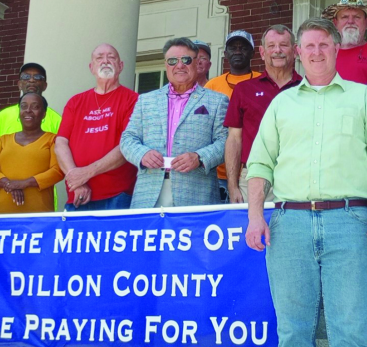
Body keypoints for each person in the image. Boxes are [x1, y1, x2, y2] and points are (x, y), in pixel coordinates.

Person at [245, 17, 367, 347]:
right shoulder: (282, 103)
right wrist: (254, 216)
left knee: (348, 329)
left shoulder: (362, 97)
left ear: (336, 50)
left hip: (349, 222)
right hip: (288, 222)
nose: (316, 52)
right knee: (293, 330)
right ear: (299, 53)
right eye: (309, 46)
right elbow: (260, 163)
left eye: (323, 45)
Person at [120, 37, 228, 208]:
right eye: (172, 61)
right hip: (149, 192)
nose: (179, 65)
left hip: (196, 191)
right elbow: (128, 138)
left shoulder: (217, 101)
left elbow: (225, 142)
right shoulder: (145, 100)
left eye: (186, 60)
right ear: (165, 64)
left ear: (196, 63)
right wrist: (142, 154)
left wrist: (200, 157)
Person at [55, 44, 139, 211]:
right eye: (99, 58)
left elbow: (127, 145)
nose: (105, 61)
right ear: (91, 67)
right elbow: (60, 143)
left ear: (121, 66)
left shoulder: (133, 100)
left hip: (116, 195)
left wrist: (86, 173)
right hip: (77, 195)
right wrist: (76, 181)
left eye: (111, 57)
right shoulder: (75, 102)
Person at [224, 24, 301, 203]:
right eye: (271, 46)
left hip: (297, 175)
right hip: (252, 175)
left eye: (283, 45)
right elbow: (234, 139)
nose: (277, 51)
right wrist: (233, 185)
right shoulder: (244, 90)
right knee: (251, 230)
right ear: (262, 51)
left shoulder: (307, 88)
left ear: (295, 50)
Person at [0, 62, 62, 212]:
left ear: (45, 85)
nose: (32, 80)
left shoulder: (57, 120)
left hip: (40, 206)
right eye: (26, 77)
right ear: (19, 83)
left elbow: (59, 168)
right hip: (1, 206)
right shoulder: (2, 117)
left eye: (37, 77)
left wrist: (23, 183)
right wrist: (9, 184)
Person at [204, 30, 261, 202]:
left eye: (243, 48)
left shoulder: (261, 81)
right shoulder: (212, 85)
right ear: (225, 52)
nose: (237, 51)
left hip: (250, 170)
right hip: (216, 173)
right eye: (233, 47)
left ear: (253, 52)